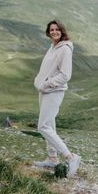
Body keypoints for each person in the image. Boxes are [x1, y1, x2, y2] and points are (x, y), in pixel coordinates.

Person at [33, 20, 81, 177]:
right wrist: (40, 82)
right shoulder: (53, 46)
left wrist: (47, 84)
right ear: (48, 32)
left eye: (57, 29)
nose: (54, 32)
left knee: (43, 127)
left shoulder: (65, 49)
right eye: (51, 29)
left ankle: (70, 157)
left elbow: (65, 75)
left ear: (62, 31)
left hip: (53, 91)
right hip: (44, 90)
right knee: (50, 125)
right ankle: (52, 159)